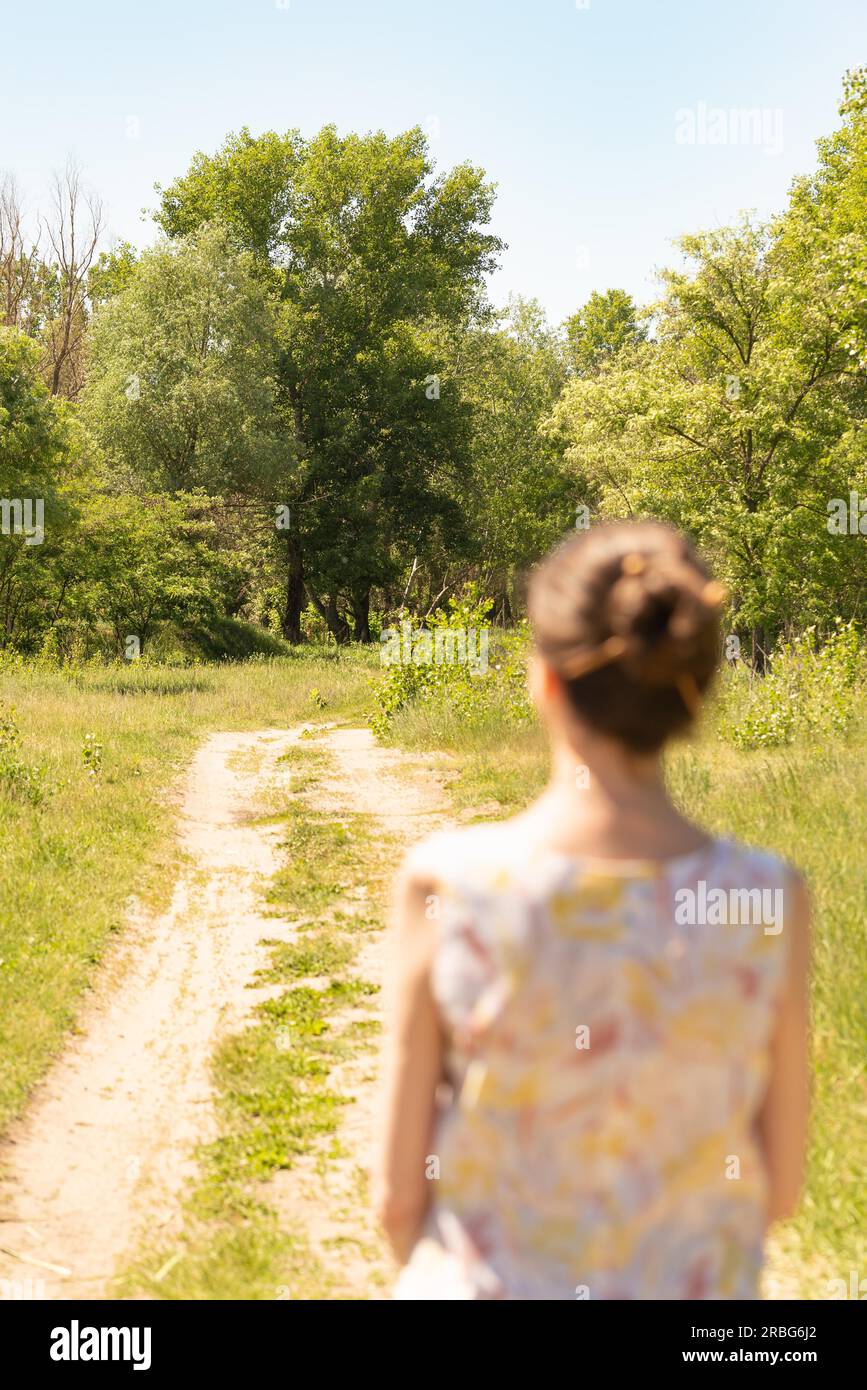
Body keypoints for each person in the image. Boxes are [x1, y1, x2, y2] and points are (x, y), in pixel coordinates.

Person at [374, 520, 810, 1301]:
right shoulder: (769, 898)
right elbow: (776, 1191)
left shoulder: (449, 884)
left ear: (542, 681)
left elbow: (399, 1198)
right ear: (697, 692)